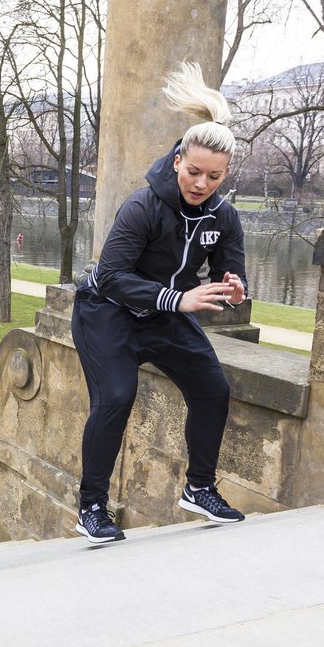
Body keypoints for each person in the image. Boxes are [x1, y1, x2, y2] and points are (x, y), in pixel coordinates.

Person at [72, 62, 247, 544]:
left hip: (167, 315)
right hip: (106, 311)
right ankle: (90, 506)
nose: (201, 184)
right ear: (177, 163)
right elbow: (110, 277)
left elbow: (232, 276)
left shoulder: (225, 216)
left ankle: (199, 488)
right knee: (117, 397)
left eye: (213, 176)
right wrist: (180, 298)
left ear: (225, 173)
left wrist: (234, 291)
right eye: (193, 172)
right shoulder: (142, 206)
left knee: (213, 388)